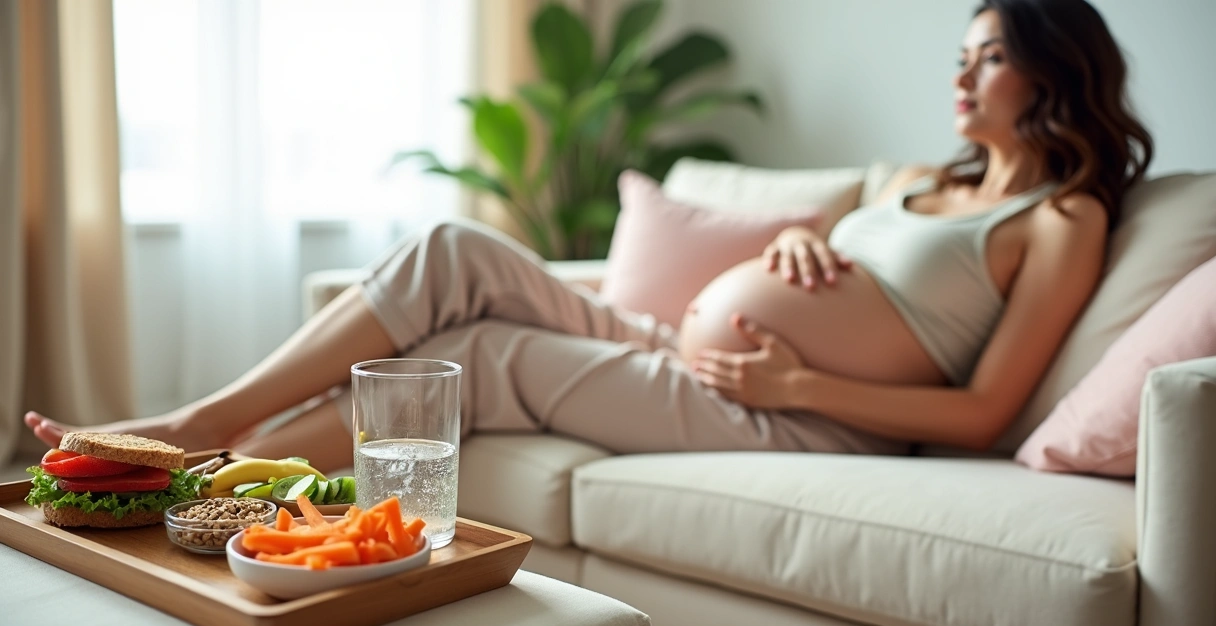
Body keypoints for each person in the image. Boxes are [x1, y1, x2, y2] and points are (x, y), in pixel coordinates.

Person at [24, 0, 1152, 473]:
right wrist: (798, 248)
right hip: (684, 347)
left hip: (793, 416)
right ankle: (198, 422)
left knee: (480, 358)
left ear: (1054, 67)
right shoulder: (919, 175)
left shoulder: (1061, 218)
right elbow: (837, 264)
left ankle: (204, 467)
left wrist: (799, 368)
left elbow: (984, 408)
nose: (959, 72)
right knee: (453, 250)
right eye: (958, 53)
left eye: (988, 55)